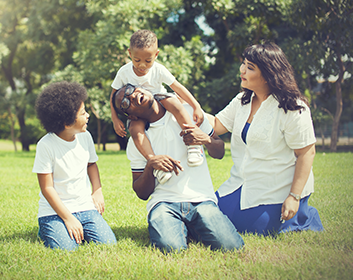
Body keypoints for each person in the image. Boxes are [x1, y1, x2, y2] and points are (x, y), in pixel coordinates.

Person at [112, 83, 245, 253]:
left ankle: (189, 226)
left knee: (231, 247)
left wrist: (205, 139)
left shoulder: (188, 114)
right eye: (125, 102)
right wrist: (150, 165)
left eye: (131, 90)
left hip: (201, 200)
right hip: (164, 204)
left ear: (144, 89)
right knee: (171, 249)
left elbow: (219, 151)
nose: (130, 96)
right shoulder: (137, 142)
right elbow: (141, 193)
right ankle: (183, 227)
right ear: (131, 116)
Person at [211, 42, 324, 236]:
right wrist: (181, 108)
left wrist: (294, 197)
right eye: (244, 64)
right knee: (208, 216)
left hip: (276, 188)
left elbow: (306, 153)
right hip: (241, 183)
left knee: (253, 228)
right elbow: (215, 125)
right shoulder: (242, 101)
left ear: (269, 75)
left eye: (250, 67)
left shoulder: (293, 107)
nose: (242, 70)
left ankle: (304, 215)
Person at [110, 29, 204, 184]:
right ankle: (154, 163)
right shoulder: (124, 72)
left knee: (174, 102)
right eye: (136, 59)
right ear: (129, 53)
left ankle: (193, 144)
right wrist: (114, 119)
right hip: (138, 110)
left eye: (148, 61)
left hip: (158, 100)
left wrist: (196, 105)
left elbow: (178, 88)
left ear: (156, 55)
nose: (142, 65)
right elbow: (113, 96)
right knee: (134, 130)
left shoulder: (158, 70)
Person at [33, 81, 117, 250]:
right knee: (67, 249)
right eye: (83, 113)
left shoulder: (85, 137)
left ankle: (74, 227)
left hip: (85, 208)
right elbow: (47, 188)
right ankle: (46, 230)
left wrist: (97, 190)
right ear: (67, 122)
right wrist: (68, 218)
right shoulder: (46, 145)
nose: (88, 116)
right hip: (54, 212)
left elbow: (91, 164)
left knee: (108, 244)